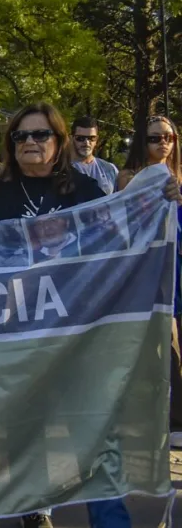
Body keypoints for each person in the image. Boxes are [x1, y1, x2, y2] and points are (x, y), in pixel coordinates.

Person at [0, 103, 166, 528]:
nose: (30, 143)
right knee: (26, 427)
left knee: (94, 423)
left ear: (59, 141)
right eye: (21, 136)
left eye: (40, 135)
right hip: (19, 326)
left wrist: (160, 200)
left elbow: (122, 233)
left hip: (80, 327)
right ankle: (34, 510)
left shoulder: (80, 188)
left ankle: (110, 520)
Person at [118, 114, 182, 454]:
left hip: (179, 269)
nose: (163, 144)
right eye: (155, 138)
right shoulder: (129, 177)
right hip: (149, 271)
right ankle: (154, 419)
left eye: (169, 137)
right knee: (156, 346)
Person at [71, 116, 118, 195]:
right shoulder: (61, 170)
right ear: (72, 138)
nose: (86, 143)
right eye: (80, 138)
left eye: (91, 138)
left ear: (97, 139)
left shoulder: (110, 169)